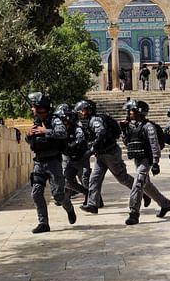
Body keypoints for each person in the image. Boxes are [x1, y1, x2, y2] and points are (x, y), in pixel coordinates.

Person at [75, 100, 151, 214]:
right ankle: (92, 204)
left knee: (122, 177)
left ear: (89, 110)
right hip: (101, 154)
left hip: (110, 153)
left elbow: (101, 133)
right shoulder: (91, 120)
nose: (82, 113)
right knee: (94, 179)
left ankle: (143, 193)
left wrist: (92, 149)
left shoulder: (95, 120)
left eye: (83, 110)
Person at [25, 92, 76, 234]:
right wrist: (28, 136)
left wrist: (45, 130)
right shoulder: (36, 121)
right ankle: (43, 223)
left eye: (33, 106)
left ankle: (69, 208)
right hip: (39, 162)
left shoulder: (55, 120)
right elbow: (32, 141)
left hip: (53, 162)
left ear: (39, 107)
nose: (32, 109)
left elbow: (62, 133)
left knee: (58, 195)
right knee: (36, 193)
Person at [122, 100, 170, 225]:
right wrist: (124, 131)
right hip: (137, 158)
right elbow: (127, 143)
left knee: (138, 183)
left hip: (146, 159)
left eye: (132, 110)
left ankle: (134, 213)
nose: (130, 113)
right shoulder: (132, 126)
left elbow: (154, 144)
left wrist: (155, 162)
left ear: (140, 112)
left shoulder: (148, 126)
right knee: (146, 185)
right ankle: (165, 204)